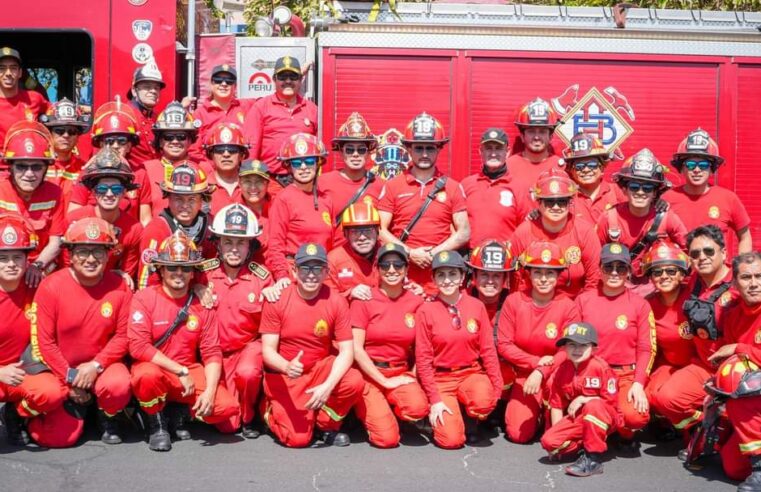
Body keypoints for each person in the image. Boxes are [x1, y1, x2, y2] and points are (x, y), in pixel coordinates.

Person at [129, 230, 239, 452]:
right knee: (146, 376)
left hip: (189, 371)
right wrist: (180, 371)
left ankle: (179, 410)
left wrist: (209, 391)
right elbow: (138, 346)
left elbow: (211, 352)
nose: (178, 273)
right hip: (159, 369)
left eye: (185, 268)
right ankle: (156, 423)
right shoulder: (144, 298)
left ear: (192, 273)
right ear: (160, 269)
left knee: (228, 408)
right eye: (171, 267)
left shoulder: (201, 305)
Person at [27, 217, 133, 447]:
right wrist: (70, 380)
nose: (91, 259)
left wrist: (96, 366)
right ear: (70, 255)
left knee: (118, 385)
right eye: (83, 251)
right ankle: (22, 416)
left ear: (108, 255)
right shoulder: (51, 286)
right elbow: (44, 342)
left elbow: (124, 336)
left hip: (101, 366)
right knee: (57, 439)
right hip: (62, 370)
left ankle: (106, 416)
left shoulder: (120, 286)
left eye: (99, 252)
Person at [259, 242, 364, 448]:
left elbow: (346, 351)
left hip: (319, 369)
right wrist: (286, 366)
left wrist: (328, 385)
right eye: (305, 268)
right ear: (294, 271)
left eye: (317, 268)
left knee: (354, 381)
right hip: (288, 375)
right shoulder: (278, 299)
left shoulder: (336, 301)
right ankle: (268, 409)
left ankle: (325, 426)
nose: (311, 274)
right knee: (297, 440)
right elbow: (268, 351)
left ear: (326, 272)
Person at [652, 225, 737, 437]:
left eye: (709, 251)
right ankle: (709, 426)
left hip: (737, 370)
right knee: (666, 399)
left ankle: (731, 423)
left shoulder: (741, 283)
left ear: (724, 252)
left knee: (735, 468)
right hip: (703, 367)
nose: (703, 257)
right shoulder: (692, 284)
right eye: (695, 253)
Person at [415, 251, 502, 449]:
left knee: (484, 400)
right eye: (441, 275)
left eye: (453, 274)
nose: (447, 280)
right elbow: (423, 359)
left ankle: (469, 418)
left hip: (470, 374)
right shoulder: (425, 311)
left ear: (462, 277)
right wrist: (435, 399)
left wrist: (496, 389)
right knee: (451, 441)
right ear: (434, 279)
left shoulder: (476, 306)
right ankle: (442, 417)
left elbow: (488, 350)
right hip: (441, 380)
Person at [377, 112, 470, 294]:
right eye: (419, 148)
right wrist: (410, 253)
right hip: (401, 279)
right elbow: (380, 230)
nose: (425, 154)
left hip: (441, 280)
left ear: (439, 149)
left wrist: (432, 255)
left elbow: (464, 232)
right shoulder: (393, 186)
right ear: (409, 149)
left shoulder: (452, 187)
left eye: (431, 148)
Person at [498, 241, 580, 443]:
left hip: (556, 375)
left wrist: (542, 371)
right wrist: (535, 364)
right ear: (528, 273)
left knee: (554, 436)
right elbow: (504, 344)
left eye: (550, 273)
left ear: (559, 275)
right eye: (538, 273)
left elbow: (569, 349)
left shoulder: (569, 306)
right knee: (518, 435)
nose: (544, 279)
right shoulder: (514, 301)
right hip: (524, 375)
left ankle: (548, 415)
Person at [200, 204, 272, 437]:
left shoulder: (262, 278)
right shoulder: (203, 274)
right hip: (215, 354)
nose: (234, 249)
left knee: (249, 372)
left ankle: (251, 412)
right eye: (228, 242)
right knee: (228, 426)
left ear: (250, 245)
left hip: (248, 348)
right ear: (218, 244)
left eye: (241, 242)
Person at [575, 243, 655, 448]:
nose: (614, 272)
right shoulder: (583, 301)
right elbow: (571, 344)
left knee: (636, 417)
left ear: (629, 272)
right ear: (600, 269)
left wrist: (638, 383)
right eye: (608, 267)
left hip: (624, 377)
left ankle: (614, 428)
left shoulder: (640, 305)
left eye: (621, 268)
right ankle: (604, 427)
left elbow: (646, 348)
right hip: (591, 374)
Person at [351, 243, 428, 448]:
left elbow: (423, 347)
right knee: (387, 440)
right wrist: (383, 382)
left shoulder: (416, 301)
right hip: (370, 375)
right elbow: (356, 349)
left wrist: (412, 376)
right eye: (385, 265)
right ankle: (374, 416)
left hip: (399, 371)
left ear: (406, 269)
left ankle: (393, 412)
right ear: (377, 269)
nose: (392, 270)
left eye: (398, 265)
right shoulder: (364, 299)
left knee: (417, 408)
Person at [0, 214, 66, 446]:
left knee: (52, 394)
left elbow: (74, 283)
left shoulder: (38, 287)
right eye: (3, 258)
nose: (10, 264)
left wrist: (118, 274)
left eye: (17, 257)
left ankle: (15, 414)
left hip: (25, 372)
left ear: (28, 260)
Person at [540, 322, 623, 477]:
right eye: (572, 345)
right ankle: (585, 445)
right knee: (549, 442)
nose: (577, 350)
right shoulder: (562, 370)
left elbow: (610, 404)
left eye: (583, 345)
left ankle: (593, 459)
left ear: (594, 349)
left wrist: (585, 399)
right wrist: (559, 434)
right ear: (564, 348)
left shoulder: (601, 368)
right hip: (579, 419)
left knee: (593, 405)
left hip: (605, 416)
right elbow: (556, 405)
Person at [707, 252, 761, 489]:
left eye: (759, 276)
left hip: (752, 394)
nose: (754, 283)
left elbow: (736, 358)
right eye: (746, 277)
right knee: (733, 467)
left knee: (735, 372)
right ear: (736, 283)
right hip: (753, 397)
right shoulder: (733, 315)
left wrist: (739, 347)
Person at [596, 148, 687, 281]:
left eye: (647, 188)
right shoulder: (609, 218)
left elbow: (689, 250)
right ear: (624, 189)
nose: (640, 192)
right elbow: (595, 259)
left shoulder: (666, 217)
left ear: (655, 193)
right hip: (617, 287)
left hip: (655, 289)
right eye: (634, 186)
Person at [509, 168, 601, 298]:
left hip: (574, 308)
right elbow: (515, 280)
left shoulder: (584, 231)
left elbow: (594, 279)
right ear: (539, 202)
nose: (556, 207)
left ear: (570, 202)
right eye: (549, 202)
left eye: (562, 201)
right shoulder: (522, 234)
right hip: (533, 306)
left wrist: (581, 309)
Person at [663, 128, 751, 254]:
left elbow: (745, 237)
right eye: (690, 165)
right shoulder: (667, 198)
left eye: (703, 165)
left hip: (715, 273)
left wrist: (740, 269)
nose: (697, 170)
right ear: (681, 169)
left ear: (712, 170)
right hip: (678, 273)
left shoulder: (729, 198)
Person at [640, 239, 696, 436]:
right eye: (657, 272)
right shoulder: (647, 305)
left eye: (671, 271)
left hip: (697, 367)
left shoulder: (695, 300)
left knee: (668, 396)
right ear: (650, 277)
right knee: (648, 396)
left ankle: (703, 424)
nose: (664, 276)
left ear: (682, 274)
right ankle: (676, 423)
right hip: (669, 365)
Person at [65, 149, 143, 285]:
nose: (109, 194)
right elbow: (67, 266)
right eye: (102, 189)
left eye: (116, 189)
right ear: (93, 192)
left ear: (125, 191)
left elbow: (127, 274)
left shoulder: (134, 229)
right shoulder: (74, 220)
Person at [0, 121, 64, 287]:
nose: (29, 174)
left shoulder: (55, 193)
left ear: (45, 169)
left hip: (39, 270)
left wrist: (37, 266)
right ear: (10, 167)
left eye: (36, 167)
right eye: (21, 166)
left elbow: (55, 242)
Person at [69, 100, 153, 225]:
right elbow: (73, 216)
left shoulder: (140, 175)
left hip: (126, 240)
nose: (115, 145)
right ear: (101, 145)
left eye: (122, 141)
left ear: (130, 146)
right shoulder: (88, 172)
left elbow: (145, 220)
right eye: (109, 141)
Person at [266, 133, 334, 286]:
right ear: (289, 167)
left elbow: (334, 244)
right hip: (294, 276)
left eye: (309, 161)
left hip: (323, 275)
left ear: (318, 163)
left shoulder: (326, 200)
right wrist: (282, 275)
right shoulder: (283, 199)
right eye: (297, 162)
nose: (303, 167)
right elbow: (275, 245)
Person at [243, 56, 318, 195]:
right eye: (283, 77)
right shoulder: (261, 107)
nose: (288, 81)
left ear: (301, 79)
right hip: (272, 182)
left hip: (305, 183)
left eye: (293, 76)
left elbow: (320, 150)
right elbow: (250, 149)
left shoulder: (312, 110)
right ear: (274, 80)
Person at [138, 162, 216, 290]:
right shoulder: (156, 230)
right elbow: (146, 282)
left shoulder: (210, 227)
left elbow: (215, 270)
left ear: (202, 199)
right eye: (178, 199)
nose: (185, 205)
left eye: (192, 199)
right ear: (167, 198)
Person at [320, 112, 383, 247]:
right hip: (334, 259)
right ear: (341, 152)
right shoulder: (322, 183)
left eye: (361, 150)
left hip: (368, 261)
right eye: (349, 150)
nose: (355, 154)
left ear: (368, 152)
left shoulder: (381, 186)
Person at [461, 128, 531, 247]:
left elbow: (527, 228)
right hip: (470, 260)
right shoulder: (466, 185)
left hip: (506, 260)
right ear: (480, 151)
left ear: (507, 152)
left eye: (498, 149)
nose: (493, 153)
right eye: (488, 148)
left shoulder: (520, 188)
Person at [142, 101, 200, 216]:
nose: (175, 141)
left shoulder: (202, 168)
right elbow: (145, 219)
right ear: (160, 142)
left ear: (190, 141)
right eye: (168, 137)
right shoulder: (146, 171)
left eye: (181, 136)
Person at [190, 64, 251, 162]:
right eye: (218, 80)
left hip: (242, 170)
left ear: (235, 86)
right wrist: (214, 167)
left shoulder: (247, 106)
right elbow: (193, 150)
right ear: (211, 84)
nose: (224, 84)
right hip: (212, 171)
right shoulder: (199, 114)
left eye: (229, 81)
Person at [562, 133, 624, 224]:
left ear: (602, 167)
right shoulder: (564, 197)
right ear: (571, 170)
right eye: (579, 166)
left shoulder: (617, 193)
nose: (586, 170)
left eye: (592, 165)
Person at [39, 98, 90, 207]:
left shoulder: (84, 170)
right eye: (59, 131)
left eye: (72, 131)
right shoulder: (36, 166)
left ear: (78, 137)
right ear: (49, 133)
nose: (66, 135)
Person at [507, 97, 563, 196]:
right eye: (531, 131)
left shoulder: (562, 168)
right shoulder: (508, 167)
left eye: (542, 131)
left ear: (550, 137)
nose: (537, 137)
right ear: (522, 136)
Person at [326, 202, 380, 299]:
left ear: (377, 231)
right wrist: (349, 293)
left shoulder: (389, 254)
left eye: (368, 230)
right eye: (355, 231)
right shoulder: (333, 260)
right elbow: (326, 297)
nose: (362, 237)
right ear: (345, 234)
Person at [0, 47, 49, 144]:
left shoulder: (34, 98)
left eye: (13, 68)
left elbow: (57, 110)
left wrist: (82, 109)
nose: (8, 73)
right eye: (2, 68)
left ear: (20, 73)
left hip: (30, 157)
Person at [126, 62, 166, 167]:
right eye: (147, 87)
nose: (153, 91)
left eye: (157, 88)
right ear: (134, 91)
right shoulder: (124, 115)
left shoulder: (157, 118)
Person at [203, 122, 249, 215]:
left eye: (232, 150)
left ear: (242, 155)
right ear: (211, 155)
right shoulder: (201, 188)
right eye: (219, 150)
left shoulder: (253, 187)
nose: (226, 154)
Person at [238, 159, 271, 264]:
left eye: (259, 182)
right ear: (239, 183)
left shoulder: (279, 207)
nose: (253, 187)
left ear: (267, 183)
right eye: (247, 181)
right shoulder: (233, 212)